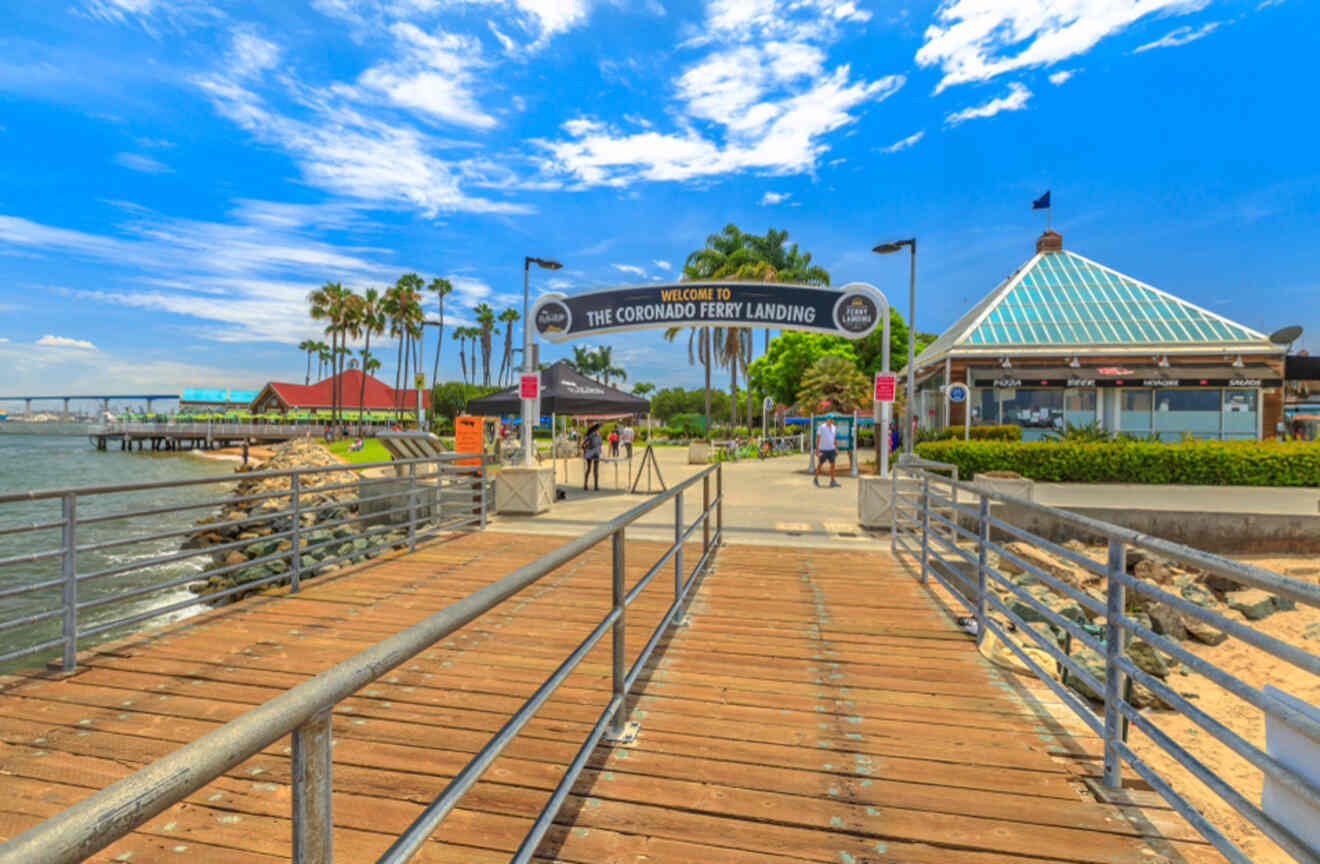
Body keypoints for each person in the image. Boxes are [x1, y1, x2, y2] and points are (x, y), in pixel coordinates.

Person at [814, 416, 839, 488]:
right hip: (823, 449)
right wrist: (817, 449)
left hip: (831, 449)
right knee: (820, 465)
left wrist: (836, 448)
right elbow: (817, 438)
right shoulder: (822, 427)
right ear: (827, 419)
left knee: (833, 465)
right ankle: (815, 478)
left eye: (832, 419)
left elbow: (834, 438)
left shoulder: (834, 427)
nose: (832, 420)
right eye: (830, 419)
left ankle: (832, 481)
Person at [581, 423, 602, 491]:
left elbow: (582, 444)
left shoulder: (588, 435)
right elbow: (600, 446)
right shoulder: (598, 436)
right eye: (599, 429)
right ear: (597, 429)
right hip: (596, 454)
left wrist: (584, 451)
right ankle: (596, 486)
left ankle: (585, 484)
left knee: (588, 469)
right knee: (595, 470)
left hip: (588, 454)